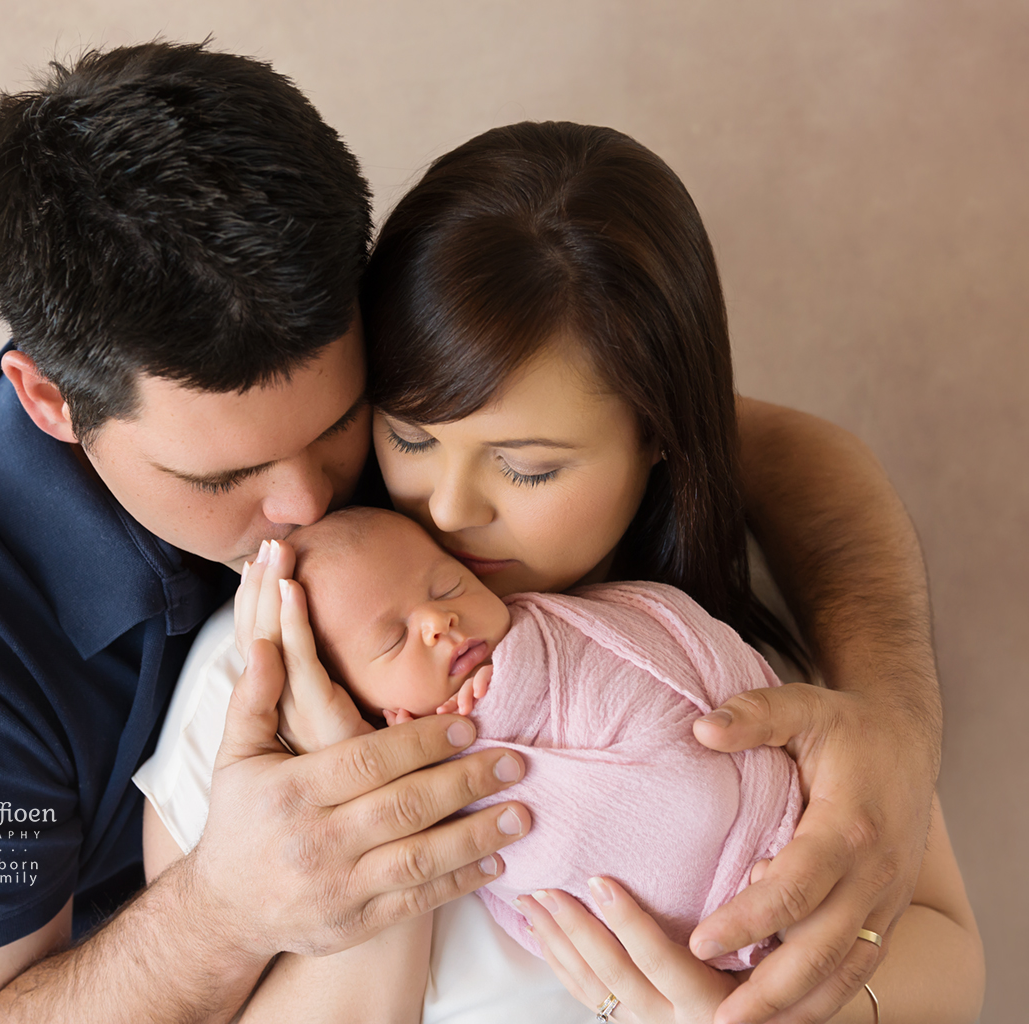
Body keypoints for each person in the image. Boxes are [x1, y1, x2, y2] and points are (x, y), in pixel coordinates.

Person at [0, 40, 954, 1023]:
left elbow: (758, 447)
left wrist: (894, 721)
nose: (306, 506)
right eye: (222, 473)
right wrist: (227, 909)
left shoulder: (443, 478)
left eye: (344, 426)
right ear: (47, 401)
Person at [136, 123, 983, 1023]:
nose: (450, 507)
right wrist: (371, 811)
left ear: (660, 434)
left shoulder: (735, 642)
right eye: (412, 437)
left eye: (528, 467)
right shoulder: (256, 696)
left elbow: (954, 964)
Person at [211, 505, 807, 972]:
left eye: (447, 587)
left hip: (782, 810)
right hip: (704, 936)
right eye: (393, 641)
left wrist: (507, 687)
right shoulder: (408, 780)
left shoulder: (549, 629)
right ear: (357, 703)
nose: (437, 621)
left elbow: (646, 640)